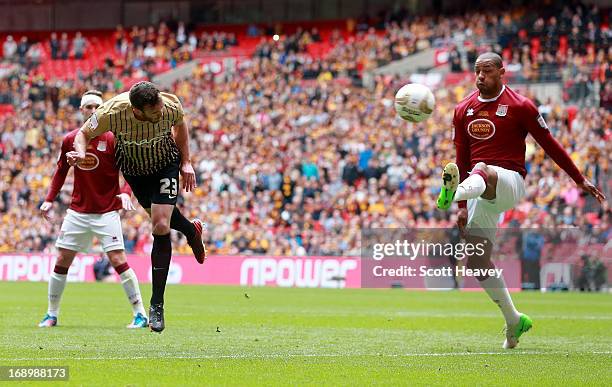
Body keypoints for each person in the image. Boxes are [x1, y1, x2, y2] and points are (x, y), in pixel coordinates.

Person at [436, 52, 606, 349]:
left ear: (502, 72)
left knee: (482, 169)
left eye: (486, 71)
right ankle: (514, 320)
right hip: (478, 191)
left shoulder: (520, 106)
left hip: (510, 182)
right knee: (476, 261)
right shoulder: (463, 110)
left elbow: (549, 144)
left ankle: (454, 193)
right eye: (476, 71)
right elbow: (460, 159)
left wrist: (578, 178)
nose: (479, 77)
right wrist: (463, 210)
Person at [69, 81, 206, 333]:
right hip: (135, 171)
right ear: (137, 111)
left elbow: (181, 126)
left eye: (161, 108)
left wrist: (186, 162)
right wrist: (79, 153)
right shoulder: (111, 113)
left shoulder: (170, 105)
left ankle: (156, 304)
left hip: (165, 164)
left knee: (161, 224)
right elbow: (82, 135)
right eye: (154, 113)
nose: (161, 113)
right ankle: (190, 230)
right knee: (161, 217)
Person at [38, 90, 148, 329]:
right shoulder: (71, 139)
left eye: (96, 106)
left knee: (118, 259)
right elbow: (60, 171)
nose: (92, 110)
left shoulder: (114, 138)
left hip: (106, 212)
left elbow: (130, 171)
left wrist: (125, 193)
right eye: (88, 106)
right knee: (62, 259)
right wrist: (49, 199)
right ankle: (51, 314)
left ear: (103, 109)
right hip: (78, 212)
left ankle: (140, 314)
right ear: (81, 110)